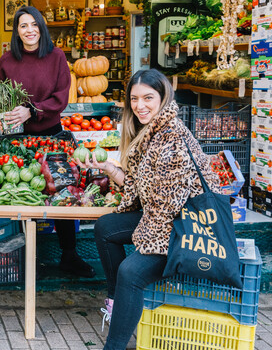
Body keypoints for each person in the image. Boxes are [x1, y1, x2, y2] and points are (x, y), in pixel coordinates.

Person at [78, 69, 221, 349]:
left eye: (148, 98)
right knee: (106, 227)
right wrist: (108, 168)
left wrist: (143, 245)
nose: (139, 105)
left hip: (187, 229)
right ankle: (117, 302)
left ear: (163, 97)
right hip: (164, 219)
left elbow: (165, 209)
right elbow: (142, 190)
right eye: (134, 98)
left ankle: (115, 344)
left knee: (130, 272)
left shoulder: (171, 138)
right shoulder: (151, 132)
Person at [0, 6, 95, 278]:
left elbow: (61, 97)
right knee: (25, 191)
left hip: (51, 136)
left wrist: (32, 110)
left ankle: (69, 255)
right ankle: (28, 257)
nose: (29, 30)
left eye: (34, 24)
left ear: (41, 28)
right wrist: (2, 115)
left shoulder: (56, 56)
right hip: (18, 140)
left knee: (62, 191)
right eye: (23, 25)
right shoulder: (7, 60)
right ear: (16, 31)